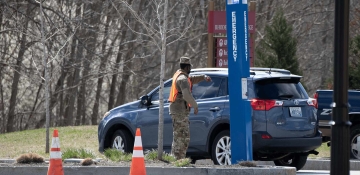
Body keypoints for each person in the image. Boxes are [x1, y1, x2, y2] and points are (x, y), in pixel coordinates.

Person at [168, 57, 212, 160]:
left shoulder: (180, 75)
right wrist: (195, 105)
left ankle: (175, 159)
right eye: (190, 67)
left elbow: (191, 79)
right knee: (183, 138)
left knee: (178, 137)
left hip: (177, 111)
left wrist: (203, 77)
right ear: (187, 67)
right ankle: (179, 159)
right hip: (180, 111)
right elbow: (186, 95)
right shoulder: (182, 79)